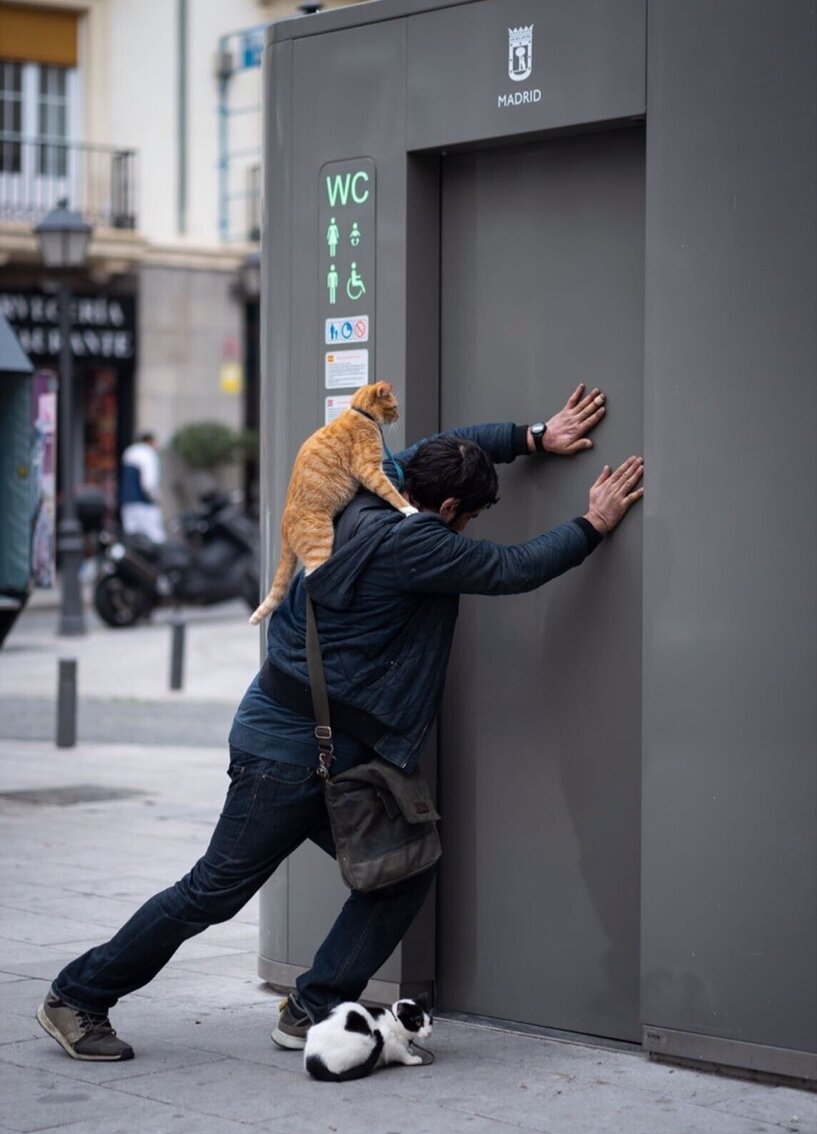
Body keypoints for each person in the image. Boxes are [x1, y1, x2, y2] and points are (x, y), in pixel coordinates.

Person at [36, 384, 643, 1062]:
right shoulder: (417, 544)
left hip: (315, 738)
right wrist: (592, 523)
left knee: (403, 869)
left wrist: (532, 437)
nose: (464, 526)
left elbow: (448, 445)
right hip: (291, 751)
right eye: (466, 516)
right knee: (212, 891)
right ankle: (76, 995)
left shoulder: (371, 484)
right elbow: (514, 567)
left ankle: (313, 1008)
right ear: (446, 508)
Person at [119, 432, 166, 543]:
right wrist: (156, 498)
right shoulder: (148, 454)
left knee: (132, 539)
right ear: (150, 442)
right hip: (143, 504)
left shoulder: (129, 452)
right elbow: (149, 483)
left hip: (127, 503)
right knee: (156, 538)